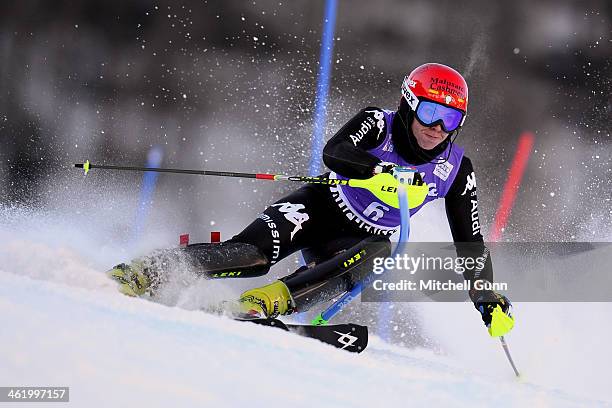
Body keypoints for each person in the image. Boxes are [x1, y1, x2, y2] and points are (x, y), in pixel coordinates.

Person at [109, 63, 513, 333]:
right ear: (409, 104)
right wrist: (376, 173)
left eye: (451, 119)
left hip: (355, 242)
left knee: (377, 252)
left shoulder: (457, 169)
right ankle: (146, 271)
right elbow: (335, 152)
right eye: (429, 113)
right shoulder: (378, 123)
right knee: (251, 254)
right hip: (320, 206)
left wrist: (485, 296)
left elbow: (470, 242)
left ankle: (260, 306)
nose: (438, 128)